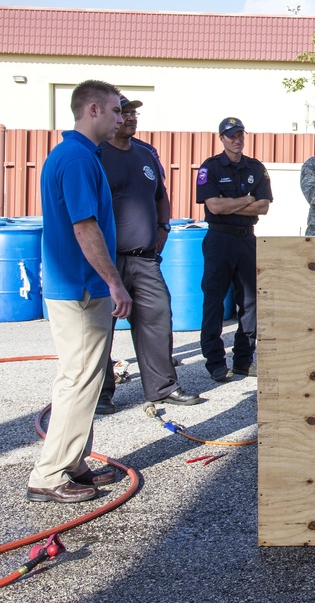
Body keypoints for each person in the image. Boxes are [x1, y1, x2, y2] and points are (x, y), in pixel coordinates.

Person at [27, 80, 133, 503]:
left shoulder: (78, 155)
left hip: (76, 285)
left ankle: (72, 461)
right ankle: (49, 475)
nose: (121, 118)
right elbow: (84, 226)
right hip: (81, 288)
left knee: (83, 378)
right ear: (92, 109)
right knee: (79, 379)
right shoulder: (75, 159)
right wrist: (113, 280)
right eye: (115, 110)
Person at [96, 95, 200, 413]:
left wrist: (164, 228)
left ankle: (162, 387)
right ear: (112, 117)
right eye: (124, 112)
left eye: (134, 113)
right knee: (101, 326)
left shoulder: (145, 154)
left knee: (157, 316)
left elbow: (160, 197)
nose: (130, 117)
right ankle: (100, 393)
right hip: (108, 259)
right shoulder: (97, 154)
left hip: (144, 258)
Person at [196, 117, 272, 382]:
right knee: (214, 301)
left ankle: (243, 360)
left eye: (240, 134)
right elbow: (214, 207)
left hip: (247, 239)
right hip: (219, 238)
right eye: (231, 135)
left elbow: (263, 207)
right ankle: (216, 362)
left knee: (250, 302)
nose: (237, 139)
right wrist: (247, 199)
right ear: (222, 139)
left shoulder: (256, 167)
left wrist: (233, 203)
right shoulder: (211, 167)